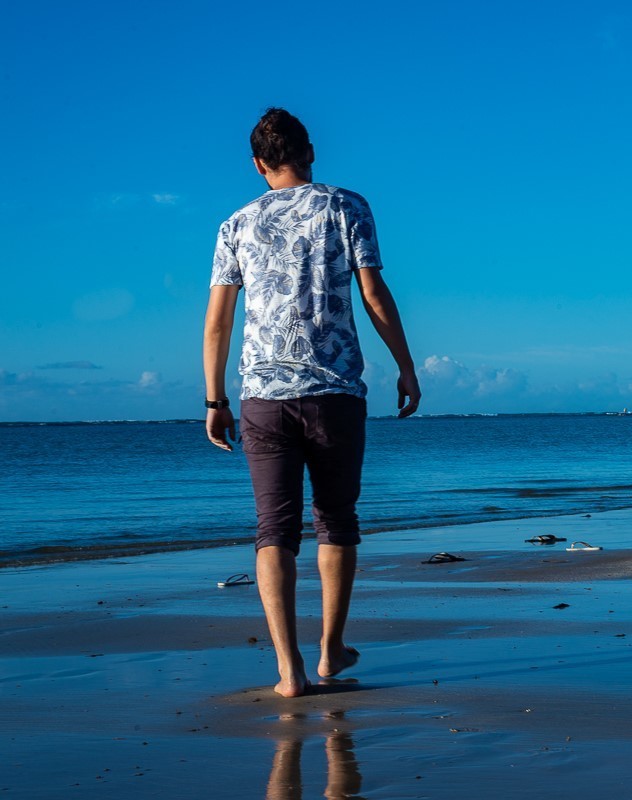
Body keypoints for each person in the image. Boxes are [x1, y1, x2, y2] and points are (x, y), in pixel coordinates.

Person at [203, 108, 421, 697]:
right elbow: (373, 293)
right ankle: (330, 650)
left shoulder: (235, 224)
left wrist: (213, 398)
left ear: (258, 165)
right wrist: (405, 364)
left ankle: (288, 671)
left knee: (273, 531)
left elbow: (219, 321)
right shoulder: (346, 206)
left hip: (263, 399)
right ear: (311, 151)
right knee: (336, 520)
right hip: (334, 392)